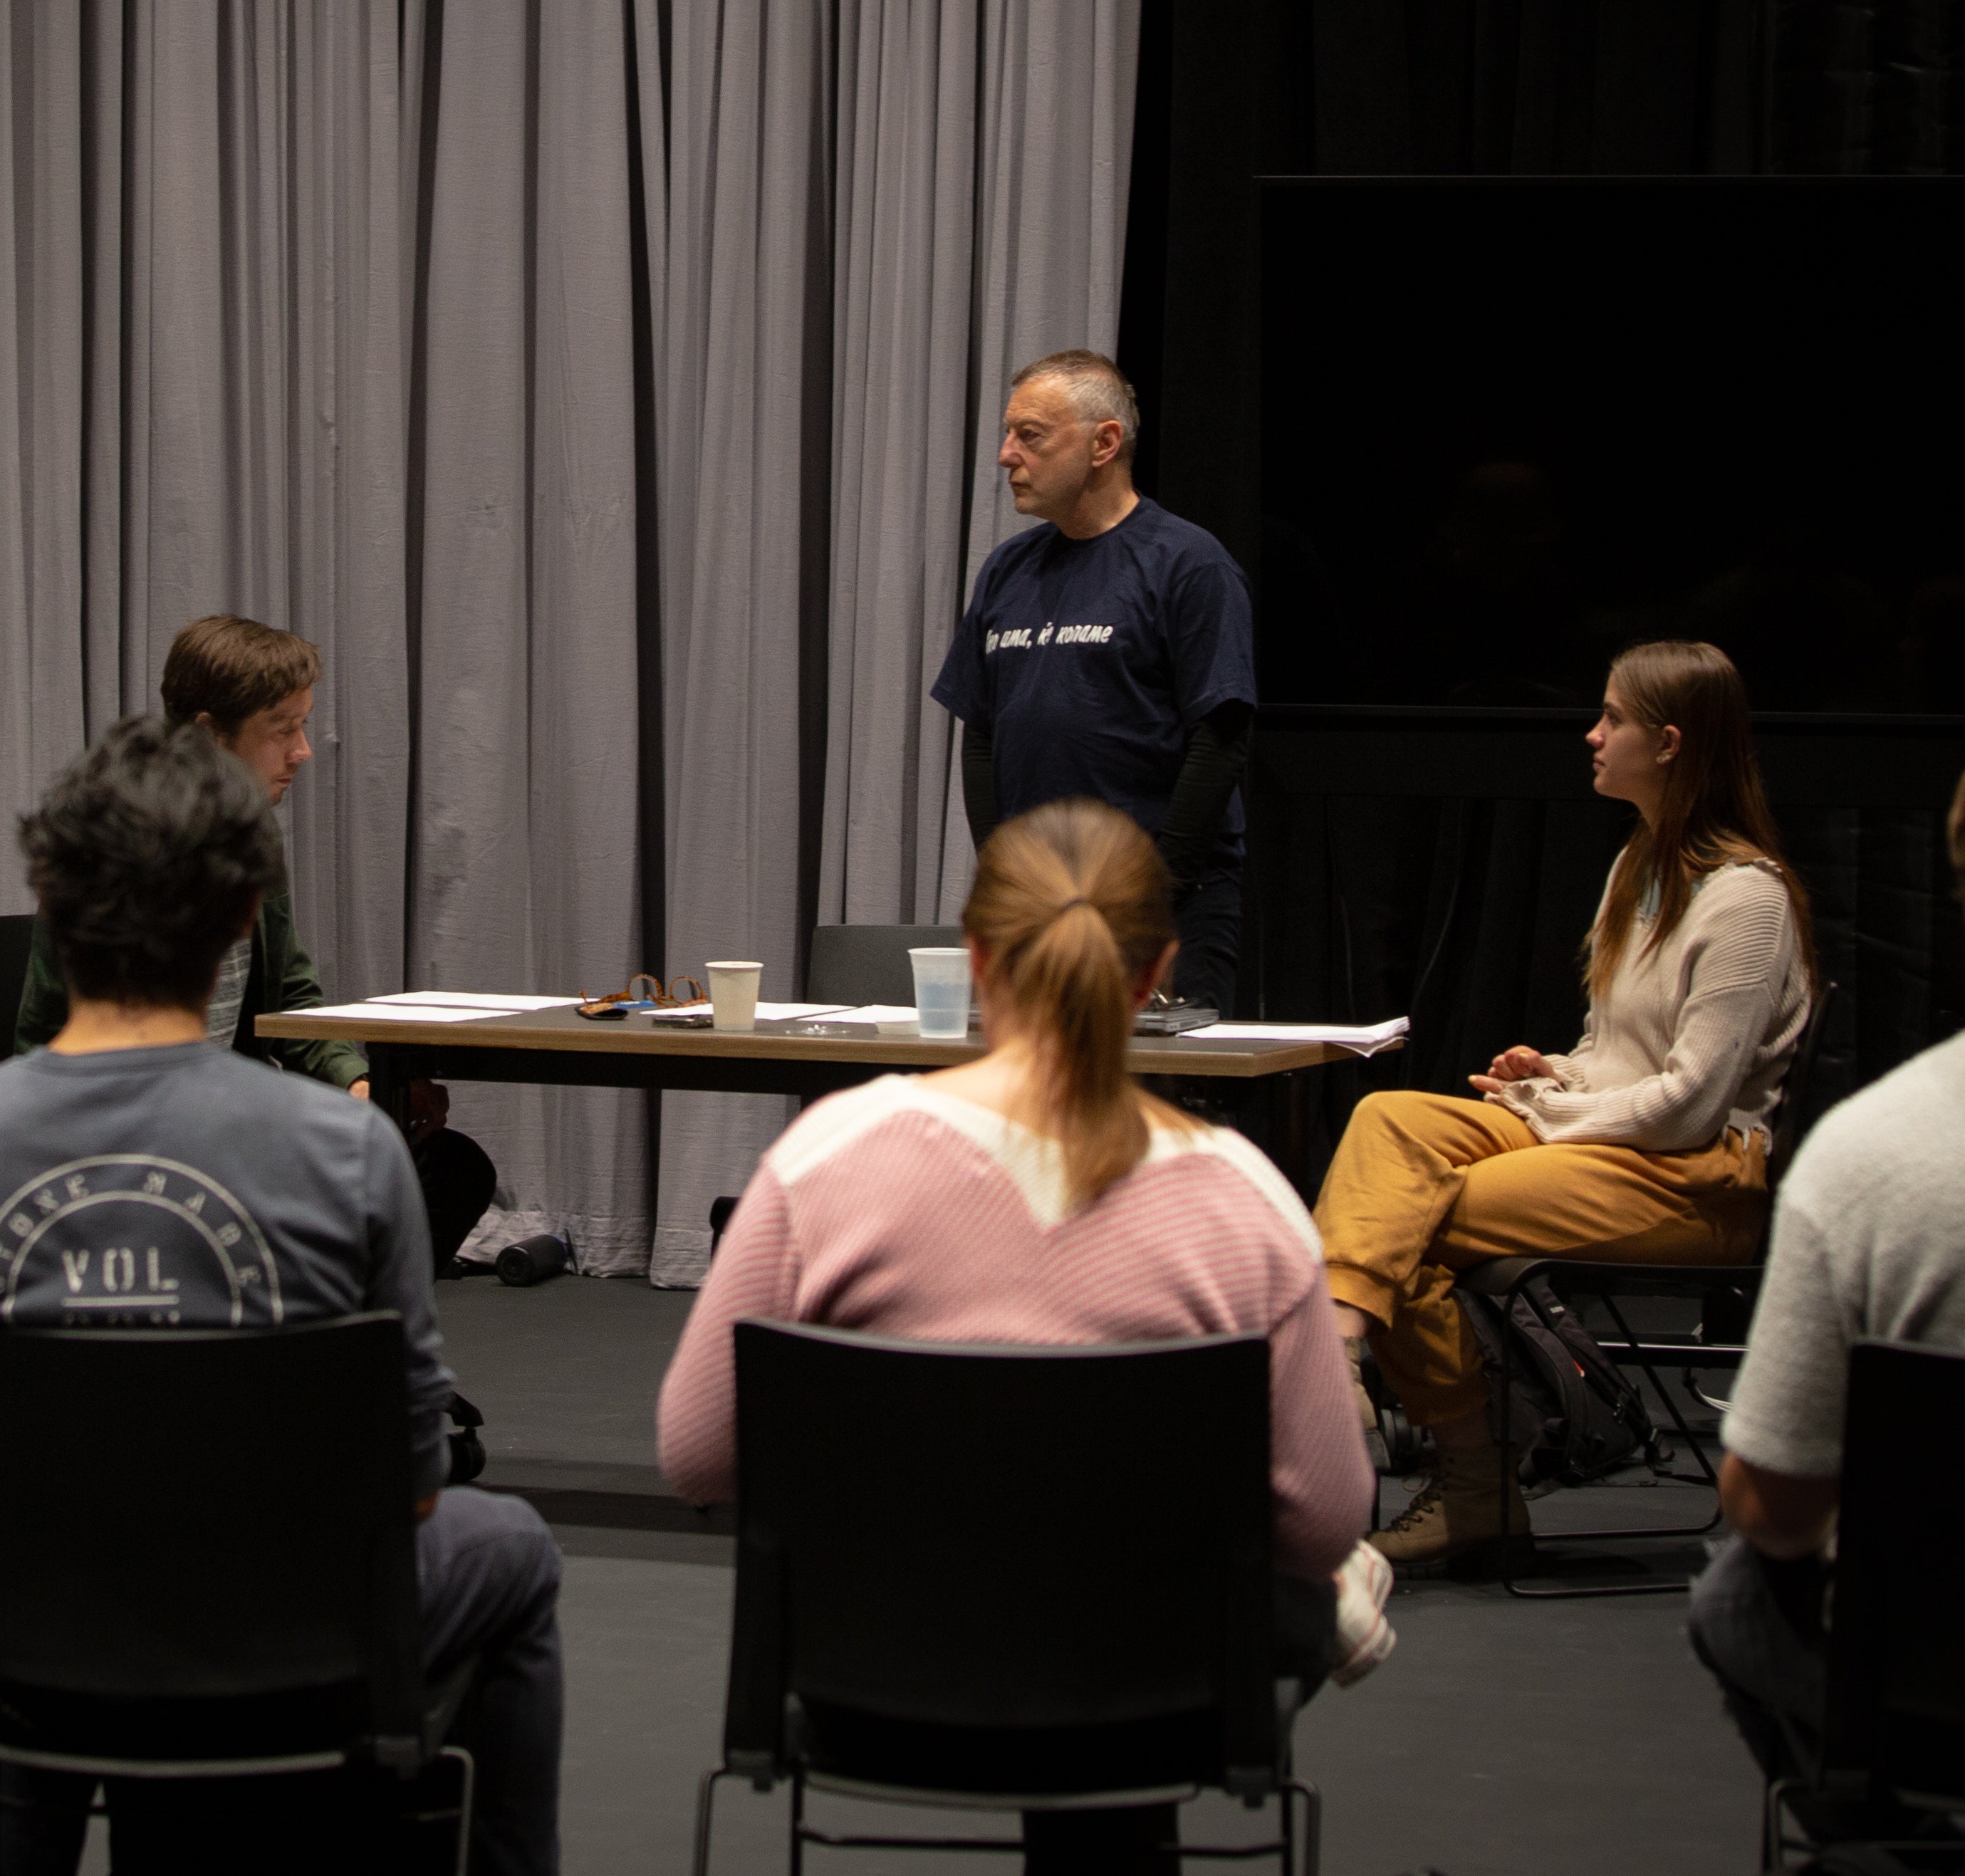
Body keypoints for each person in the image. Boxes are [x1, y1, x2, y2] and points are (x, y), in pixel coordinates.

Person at [657, 798, 1380, 1875]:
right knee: (1322, 1588)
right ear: (1158, 973)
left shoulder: (824, 1161)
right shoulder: (1247, 1202)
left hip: (872, 1682)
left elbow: (697, 1454)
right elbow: (1324, 1521)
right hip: (1164, 1695)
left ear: (975, 958)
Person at [0, 716, 562, 1876]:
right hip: (288, 1642)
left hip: (27, 1638)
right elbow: (408, 1496)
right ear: (248, 915)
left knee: (56, 1560)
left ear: (49, 902)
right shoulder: (345, 1157)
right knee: (514, 1547)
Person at [1690, 726, 1965, 1849]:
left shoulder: (1873, 1151)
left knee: (1732, 1588)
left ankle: (1901, 1850)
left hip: (1942, 1681)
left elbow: (1777, 1510)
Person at [1318, 640, 1813, 1568]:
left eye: (1613, 717)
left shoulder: (1750, 898)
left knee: (1416, 1213)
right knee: (1387, 1121)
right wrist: (1555, 1071)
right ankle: (1340, 1352)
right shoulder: (1639, 863)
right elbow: (1616, 1057)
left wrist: (1549, 1109)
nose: (1593, 733)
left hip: (1695, 1177)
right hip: (1611, 1135)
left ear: (1667, 742)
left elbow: (1690, 1107)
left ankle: (1472, 1479)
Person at [10, 615, 499, 1267]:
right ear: (211, 734)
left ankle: (323, 1316)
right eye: (283, 729)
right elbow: (48, 1039)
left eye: (303, 725)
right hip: (128, 1124)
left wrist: (358, 1084)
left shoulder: (254, 834)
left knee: (449, 1168)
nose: (302, 750)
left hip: (223, 1108)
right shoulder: (115, 834)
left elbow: (290, 1000)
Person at [930, 350, 1257, 1018]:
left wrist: (1152, 890)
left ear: (1105, 442)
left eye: (1031, 435)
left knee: (1159, 1109)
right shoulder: (1007, 570)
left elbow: (1219, 739)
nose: (1004, 455)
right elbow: (983, 737)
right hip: (1040, 909)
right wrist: (1006, 879)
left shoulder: (1188, 564)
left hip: (1162, 908)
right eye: (1008, 432)